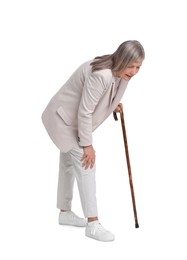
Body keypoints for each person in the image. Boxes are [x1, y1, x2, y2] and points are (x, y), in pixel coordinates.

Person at [41, 40, 145, 242]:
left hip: (71, 121)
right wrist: (87, 145)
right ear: (121, 60)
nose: (134, 72)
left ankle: (65, 213)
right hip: (64, 121)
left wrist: (112, 104)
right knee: (85, 162)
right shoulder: (102, 74)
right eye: (131, 66)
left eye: (138, 67)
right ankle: (93, 223)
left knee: (68, 164)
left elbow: (100, 95)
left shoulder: (117, 71)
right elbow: (85, 111)